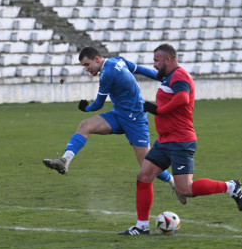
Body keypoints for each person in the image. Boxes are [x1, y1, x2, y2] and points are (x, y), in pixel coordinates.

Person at [120, 43, 242, 235]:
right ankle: (142, 226)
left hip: (180, 141)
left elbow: (182, 98)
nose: (154, 65)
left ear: (168, 59)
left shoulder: (179, 75)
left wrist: (158, 110)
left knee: (185, 189)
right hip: (164, 140)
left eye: (156, 61)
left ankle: (230, 187)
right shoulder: (168, 77)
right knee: (143, 177)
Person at [42, 46, 178, 197]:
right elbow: (140, 69)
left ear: (97, 59)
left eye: (87, 65)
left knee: (146, 165)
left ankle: (172, 181)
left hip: (135, 119)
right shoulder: (117, 60)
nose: (86, 69)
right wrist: (163, 78)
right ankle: (64, 160)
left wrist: (86, 108)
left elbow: (99, 104)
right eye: (84, 66)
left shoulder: (107, 73)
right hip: (119, 114)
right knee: (85, 126)